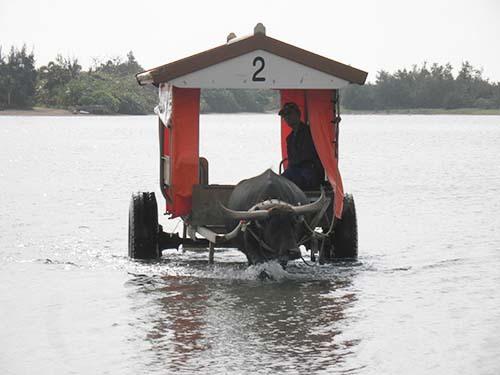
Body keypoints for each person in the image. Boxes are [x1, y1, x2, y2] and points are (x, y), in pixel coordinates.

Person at [279, 102, 324, 190]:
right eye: (285, 116)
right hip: (295, 170)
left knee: (297, 179)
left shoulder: (309, 132)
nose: (287, 118)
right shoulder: (290, 138)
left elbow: (308, 155)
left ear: (297, 114)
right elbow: (291, 159)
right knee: (279, 181)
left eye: (289, 114)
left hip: (310, 169)